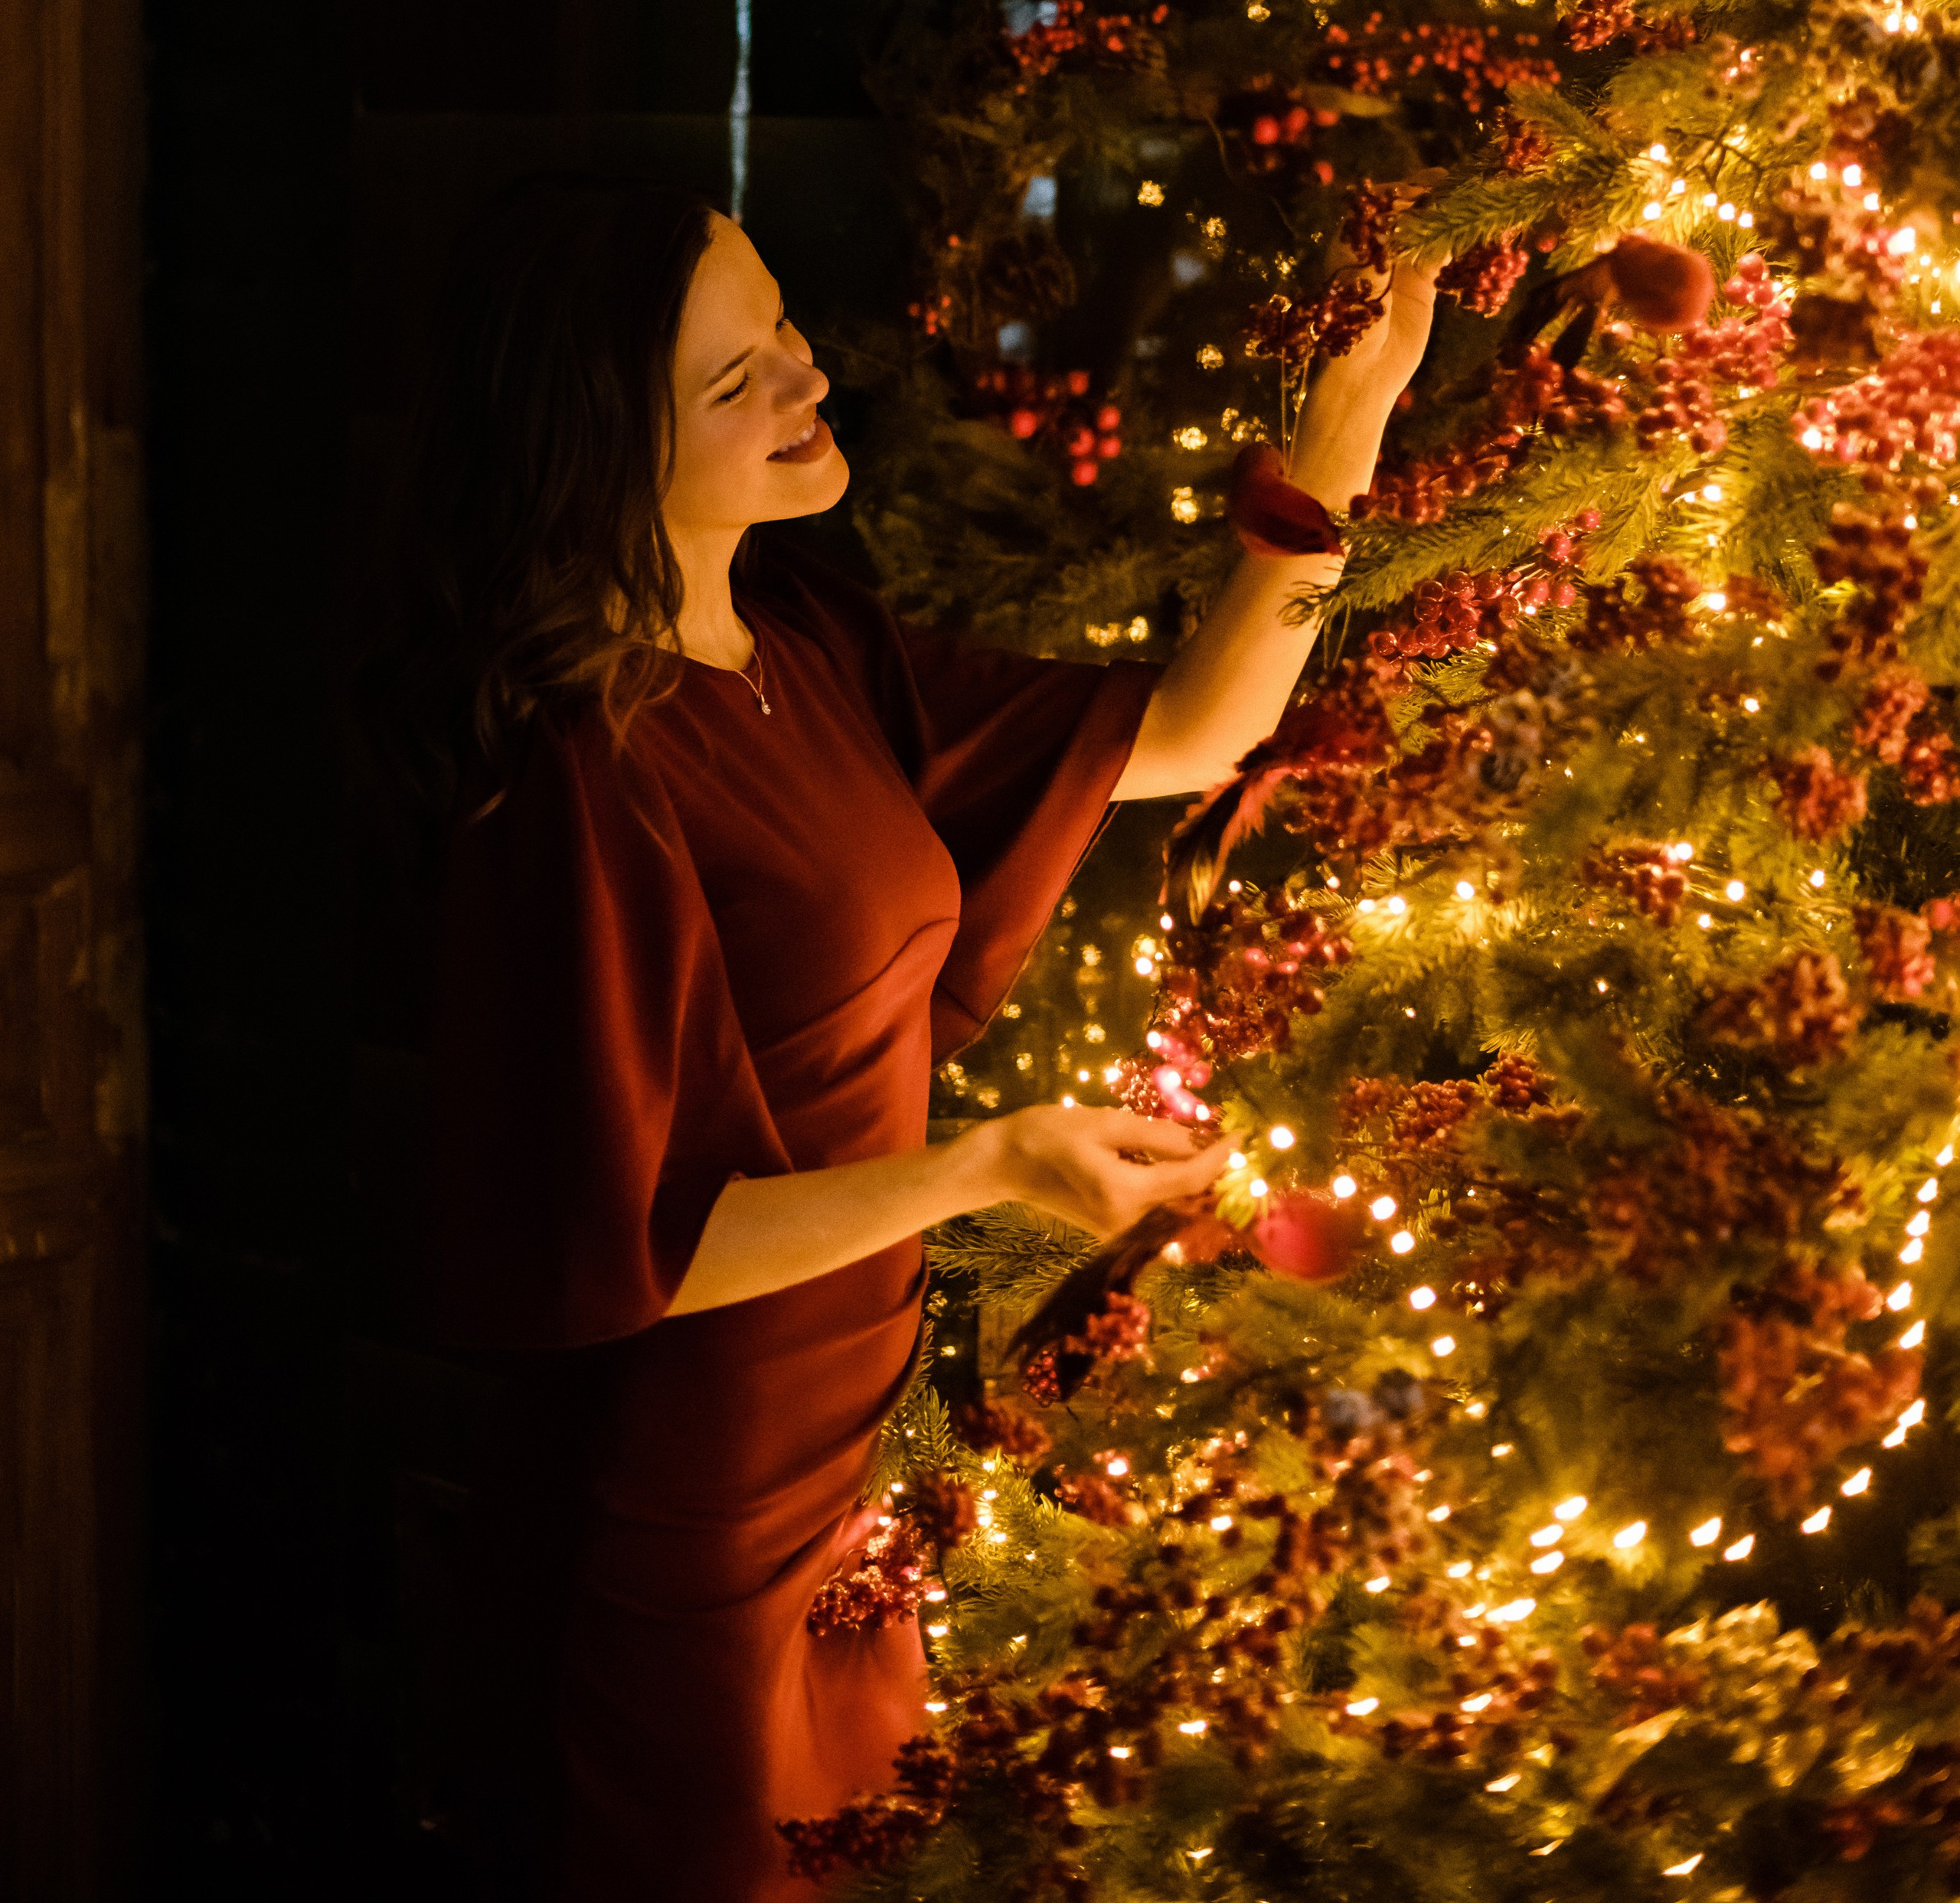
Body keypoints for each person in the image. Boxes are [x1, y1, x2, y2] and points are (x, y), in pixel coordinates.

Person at [385, 173, 1435, 1901]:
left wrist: (1349, 422)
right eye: (737, 379)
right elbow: (625, 1242)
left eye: (784, 328)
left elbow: (1195, 727)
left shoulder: (802, 642)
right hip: (689, 1499)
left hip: (850, 1461)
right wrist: (980, 1167)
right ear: (602, 447)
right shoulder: (583, 763)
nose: (807, 378)